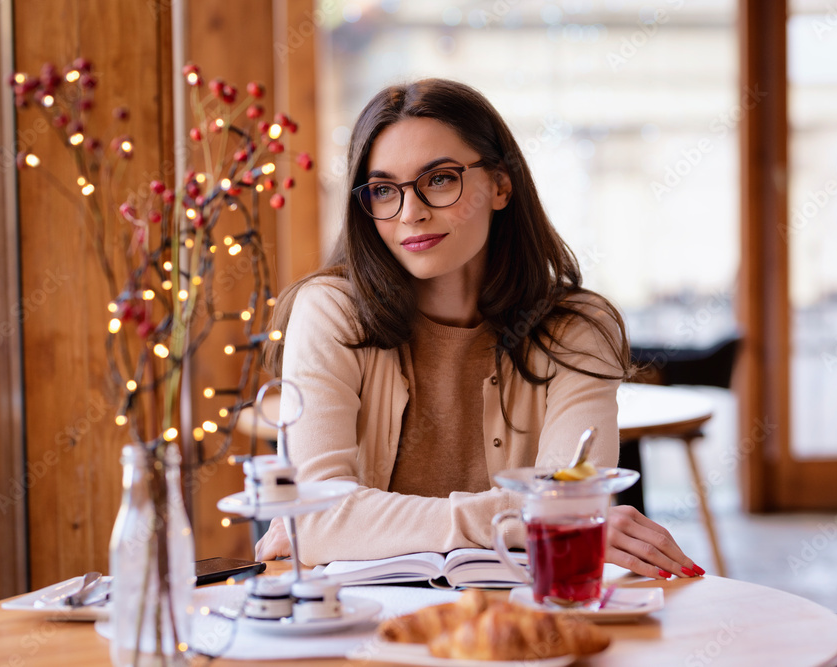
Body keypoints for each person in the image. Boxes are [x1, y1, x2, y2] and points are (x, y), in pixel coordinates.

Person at [255, 78, 703, 580]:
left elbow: (574, 509)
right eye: (383, 190)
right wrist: (526, 518)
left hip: (521, 627)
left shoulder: (578, 331)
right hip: (357, 623)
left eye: (440, 179)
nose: (412, 211)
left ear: (500, 185)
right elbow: (312, 520)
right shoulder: (329, 311)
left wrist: (351, 522)